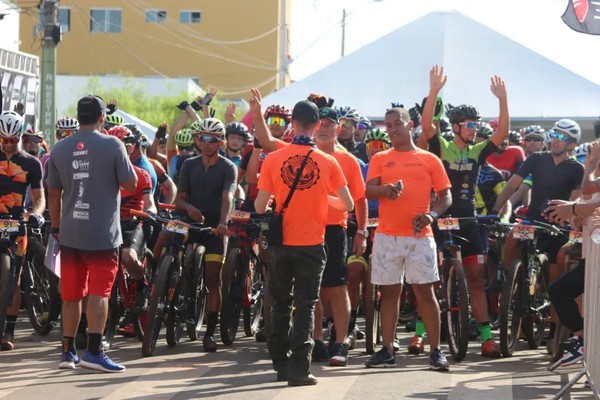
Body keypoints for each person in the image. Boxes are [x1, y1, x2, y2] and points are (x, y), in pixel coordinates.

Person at [251, 89, 353, 386]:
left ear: (292, 123)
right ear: (318, 125)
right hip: (312, 242)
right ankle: (300, 369)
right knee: (306, 305)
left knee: (279, 304)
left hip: (281, 243)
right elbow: (346, 204)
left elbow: (259, 206)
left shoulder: (274, 158)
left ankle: (280, 364)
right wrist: (322, 199)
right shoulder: (329, 162)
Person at [419, 65, 510, 358]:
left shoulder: (478, 151)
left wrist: (502, 99)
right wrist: (433, 92)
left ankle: (486, 336)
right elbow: (426, 127)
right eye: (470, 125)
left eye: (475, 125)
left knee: (475, 276)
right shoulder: (442, 146)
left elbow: (503, 133)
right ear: (457, 126)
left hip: (468, 218)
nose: (474, 129)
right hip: (441, 217)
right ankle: (420, 334)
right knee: (430, 278)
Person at [46, 95, 137, 372]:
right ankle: (94, 352)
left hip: (70, 233)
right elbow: (131, 184)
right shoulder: (113, 144)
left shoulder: (60, 148)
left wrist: (57, 228)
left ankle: (68, 351)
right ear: (102, 117)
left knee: (71, 295)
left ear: (78, 116)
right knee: (99, 293)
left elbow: (53, 193)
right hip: (103, 234)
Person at [365, 107, 452, 371]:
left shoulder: (429, 159)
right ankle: (388, 349)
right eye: (388, 125)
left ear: (410, 124)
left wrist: (431, 215)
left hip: (420, 237)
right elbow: (368, 191)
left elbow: (446, 196)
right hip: (386, 236)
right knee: (389, 292)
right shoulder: (380, 157)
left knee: (426, 293)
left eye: (397, 124)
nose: (392, 130)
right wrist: (385, 190)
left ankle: (436, 351)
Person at [175, 117, 237, 353]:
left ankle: (210, 333)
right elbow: (179, 198)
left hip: (215, 228)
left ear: (220, 142)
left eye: (212, 139)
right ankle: (163, 285)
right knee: (167, 240)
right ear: (197, 140)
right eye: (203, 138)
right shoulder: (189, 164)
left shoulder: (228, 167)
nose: (207, 143)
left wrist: (223, 222)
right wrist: (189, 209)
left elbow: (228, 197)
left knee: (213, 279)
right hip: (191, 222)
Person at [0, 111, 45, 351]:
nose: (8, 145)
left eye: (12, 140)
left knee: (14, 279)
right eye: (3, 140)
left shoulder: (31, 162)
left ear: (19, 136)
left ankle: (9, 331)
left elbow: (39, 198)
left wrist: (36, 213)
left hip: (18, 223)